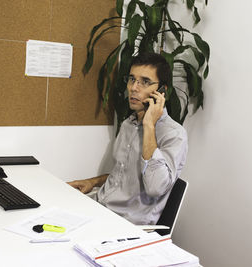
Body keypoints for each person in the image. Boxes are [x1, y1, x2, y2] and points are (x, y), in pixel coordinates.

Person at [68, 53, 188, 225]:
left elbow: (156, 187)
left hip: (127, 224)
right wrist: (92, 182)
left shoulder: (174, 134)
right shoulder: (128, 124)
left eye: (145, 82)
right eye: (132, 79)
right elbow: (123, 174)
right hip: (100, 208)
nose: (133, 87)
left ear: (162, 91)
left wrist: (149, 125)